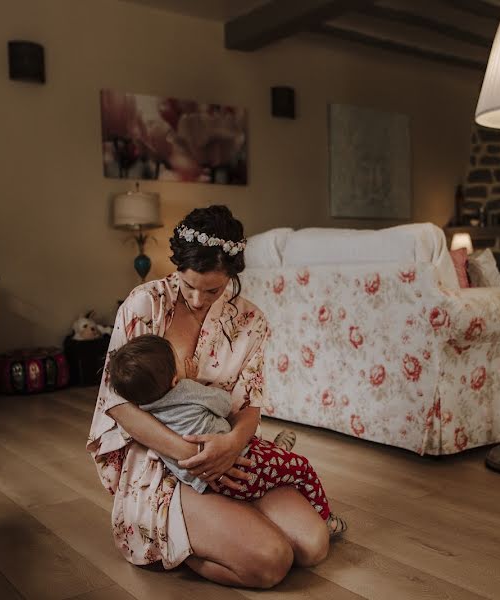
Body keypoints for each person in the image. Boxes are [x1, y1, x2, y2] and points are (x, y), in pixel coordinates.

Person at [87, 205, 330, 588]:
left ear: (232, 274)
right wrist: (193, 457)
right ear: (177, 270)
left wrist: (232, 444)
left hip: (232, 453)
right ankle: (183, 547)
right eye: (188, 286)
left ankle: (228, 526)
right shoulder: (145, 303)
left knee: (314, 545)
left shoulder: (251, 321)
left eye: (213, 289)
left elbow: (251, 402)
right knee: (272, 561)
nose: (199, 300)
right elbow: (116, 403)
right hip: (163, 461)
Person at [105, 334, 346, 534]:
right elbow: (223, 404)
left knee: (266, 463)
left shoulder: (144, 411)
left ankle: (276, 451)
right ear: (174, 377)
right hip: (243, 461)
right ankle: (325, 517)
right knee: (300, 468)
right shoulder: (185, 388)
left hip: (212, 484)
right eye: (176, 359)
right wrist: (192, 382)